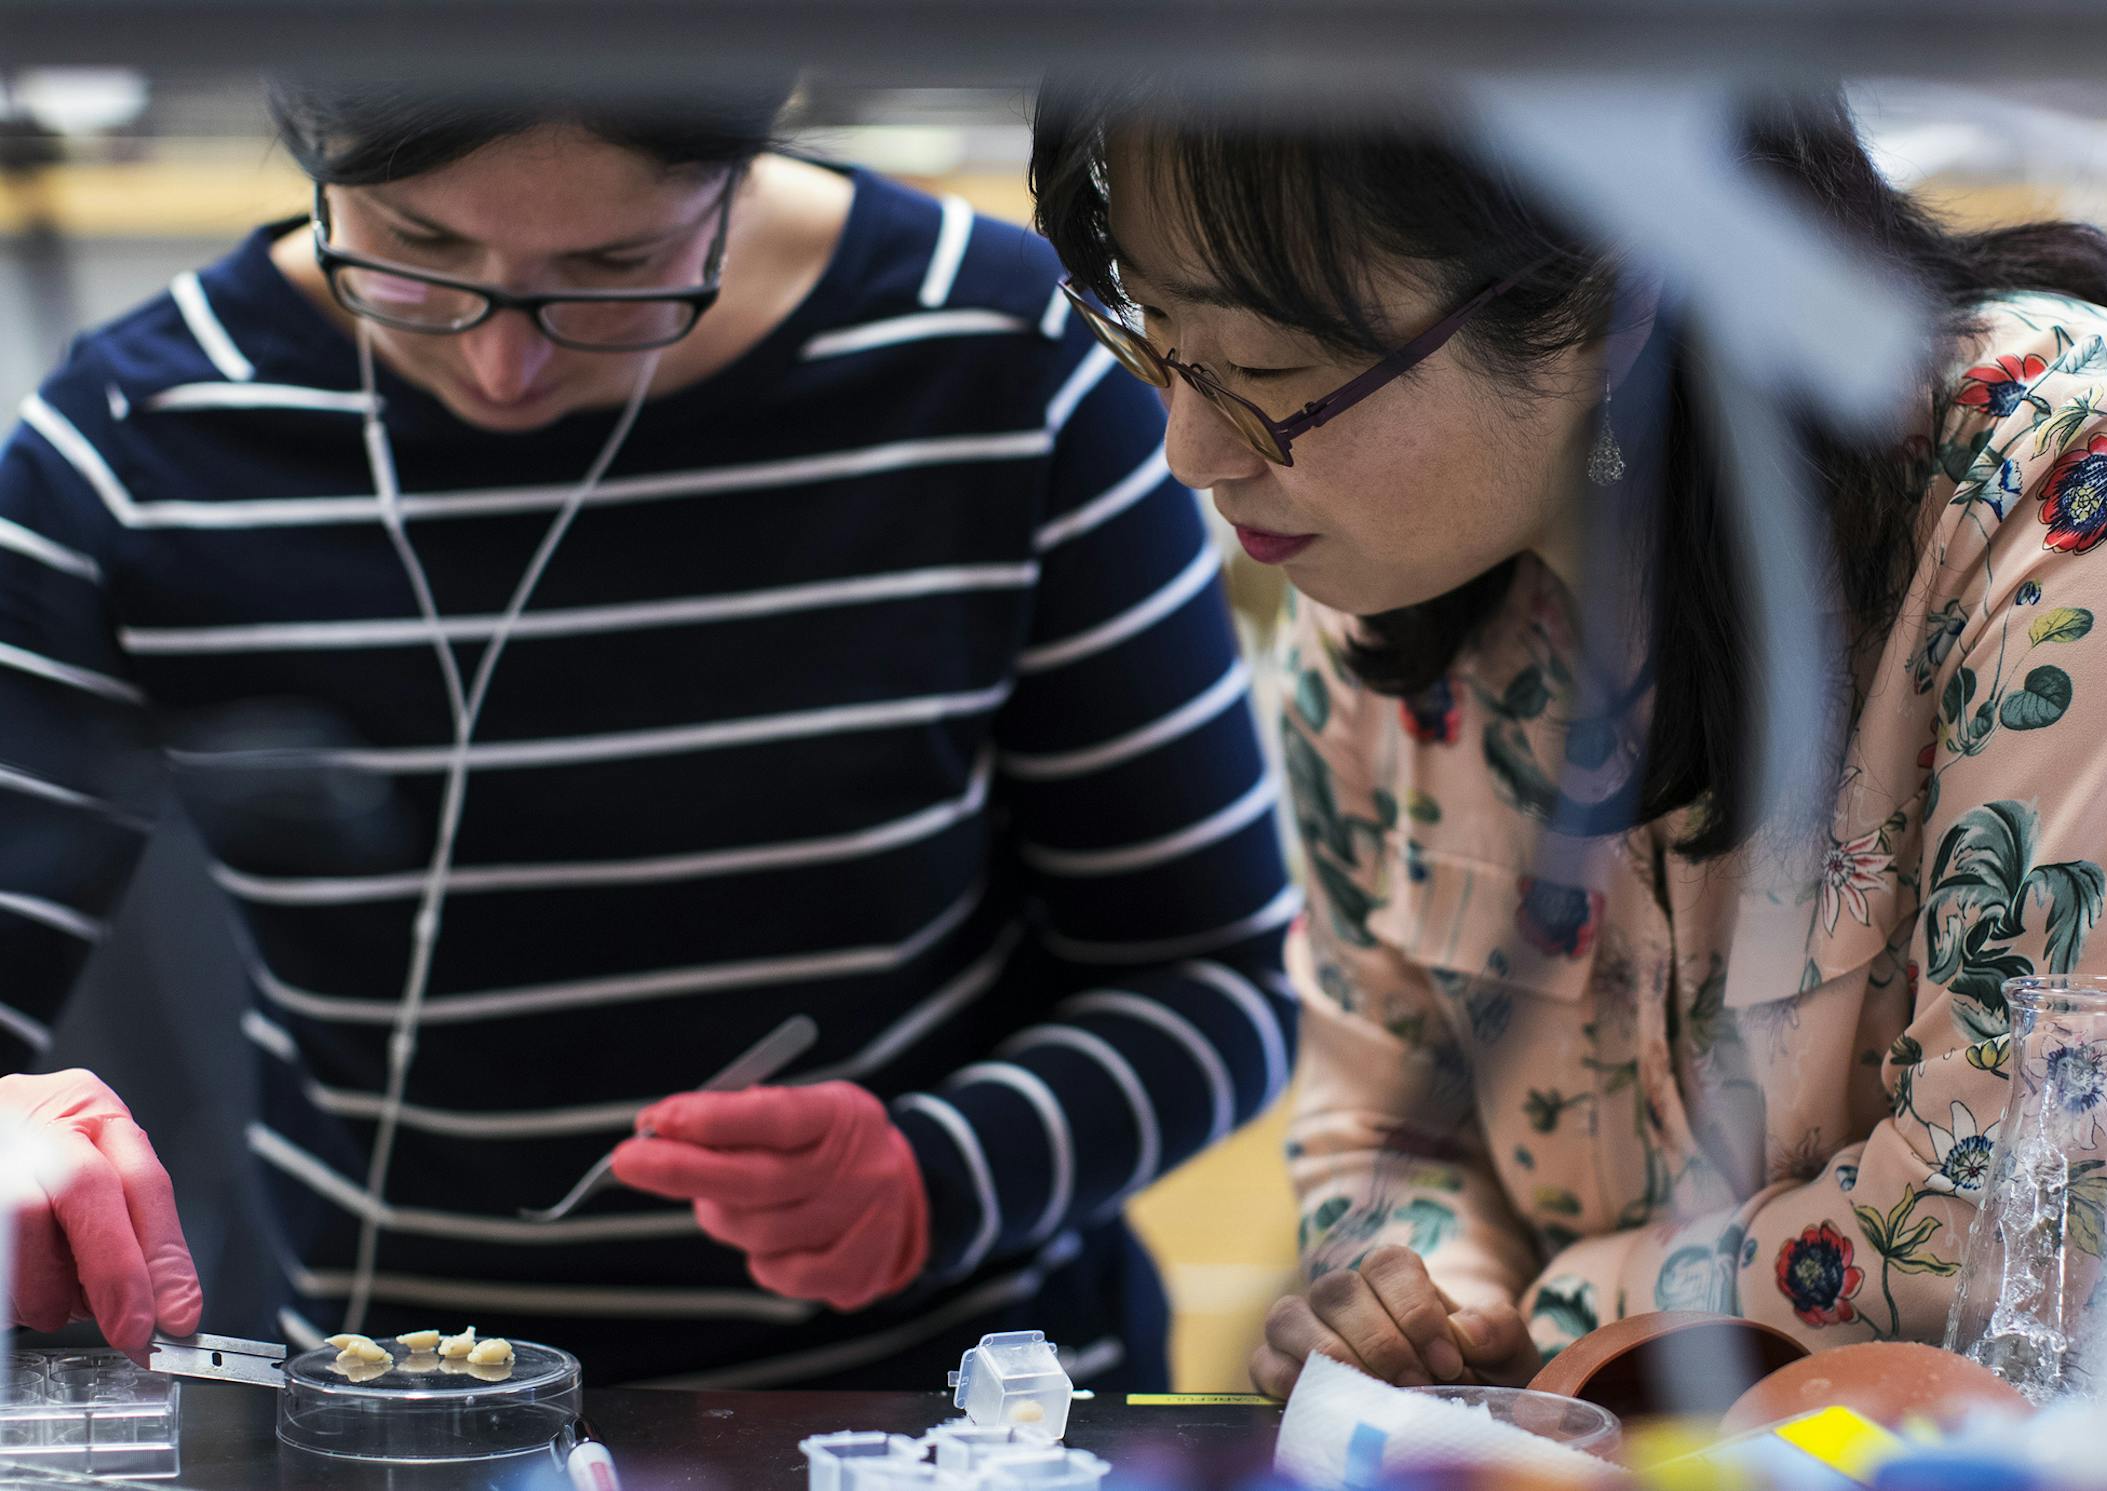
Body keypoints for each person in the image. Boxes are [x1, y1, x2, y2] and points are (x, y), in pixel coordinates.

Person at [0, 80, 1298, 1389]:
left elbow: (1221, 976)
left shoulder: (1001, 356)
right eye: (414, 250)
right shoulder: (132, 445)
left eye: (616, 267)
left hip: (949, 1425)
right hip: (411, 1424)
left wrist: (944, 1173)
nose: (502, 366)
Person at [1030, 83, 2107, 1392]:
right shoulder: (1383, 601)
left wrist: (1557, 1308)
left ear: (1611, 296)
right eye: (1157, 342)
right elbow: (1383, 1140)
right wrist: (1413, 1308)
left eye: (1270, 371)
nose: (1191, 449)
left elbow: (2026, 1233)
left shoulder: (2078, 510)